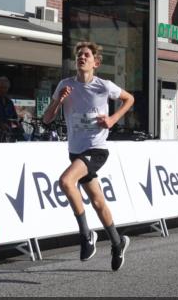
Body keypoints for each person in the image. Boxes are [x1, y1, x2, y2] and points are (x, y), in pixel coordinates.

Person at [42, 41, 134, 271]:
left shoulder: (104, 86)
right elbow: (46, 119)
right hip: (76, 151)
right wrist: (58, 100)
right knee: (98, 201)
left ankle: (86, 235)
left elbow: (129, 99)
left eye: (86, 55)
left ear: (96, 62)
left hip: (96, 149)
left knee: (66, 181)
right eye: (79, 56)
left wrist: (112, 119)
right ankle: (118, 242)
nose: (81, 58)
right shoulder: (65, 85)